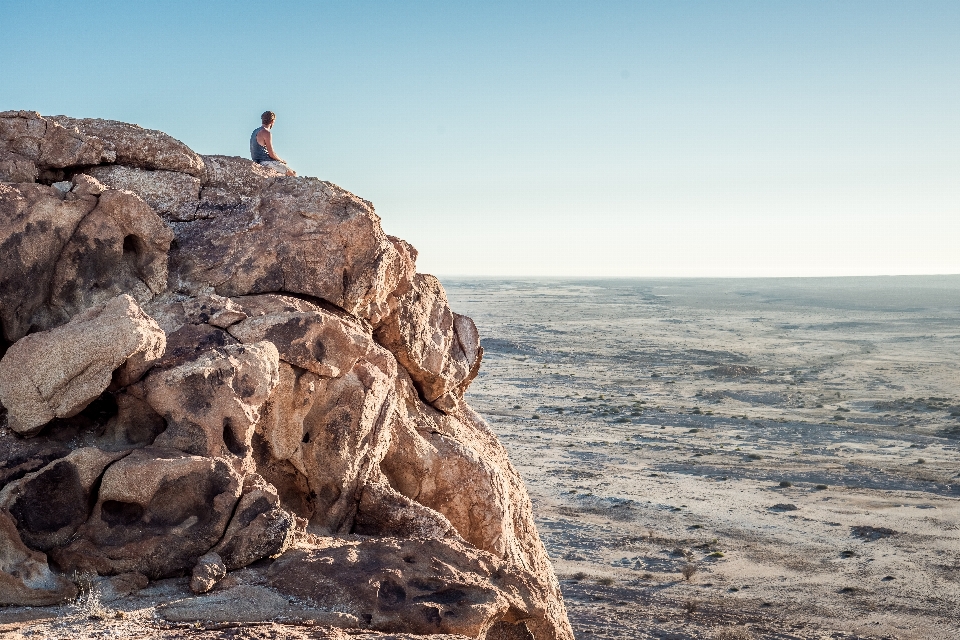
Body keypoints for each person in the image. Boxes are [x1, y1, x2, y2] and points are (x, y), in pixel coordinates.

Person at [251, 111, 296, 176]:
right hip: (266, 162)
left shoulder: (255, 131)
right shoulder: (266, 133)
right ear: (272, 121)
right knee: (293, 174)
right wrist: (282, 161)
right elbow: (271, 154)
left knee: (283, 175)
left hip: (256, 161)